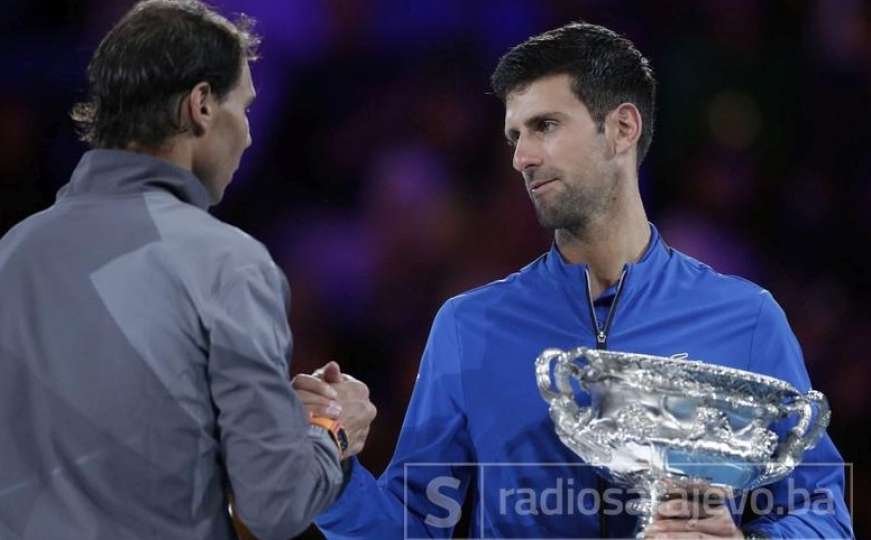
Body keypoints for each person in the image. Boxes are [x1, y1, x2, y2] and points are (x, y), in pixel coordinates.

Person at [293, 22, 854, 539]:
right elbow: (413, 523)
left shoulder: (746, 318)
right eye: (515, 135)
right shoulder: (469, 326)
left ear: (622, 129)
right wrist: (330, 473)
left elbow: (823, 513)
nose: (521, 158)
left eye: (545, 126)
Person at [0, 1, 373, 539]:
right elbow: (275, 506)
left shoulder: (15, 252)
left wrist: (252, 426)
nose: (247, 135)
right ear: (201, 105)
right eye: (242, 108)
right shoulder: (226, 263)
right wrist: (330, 429)